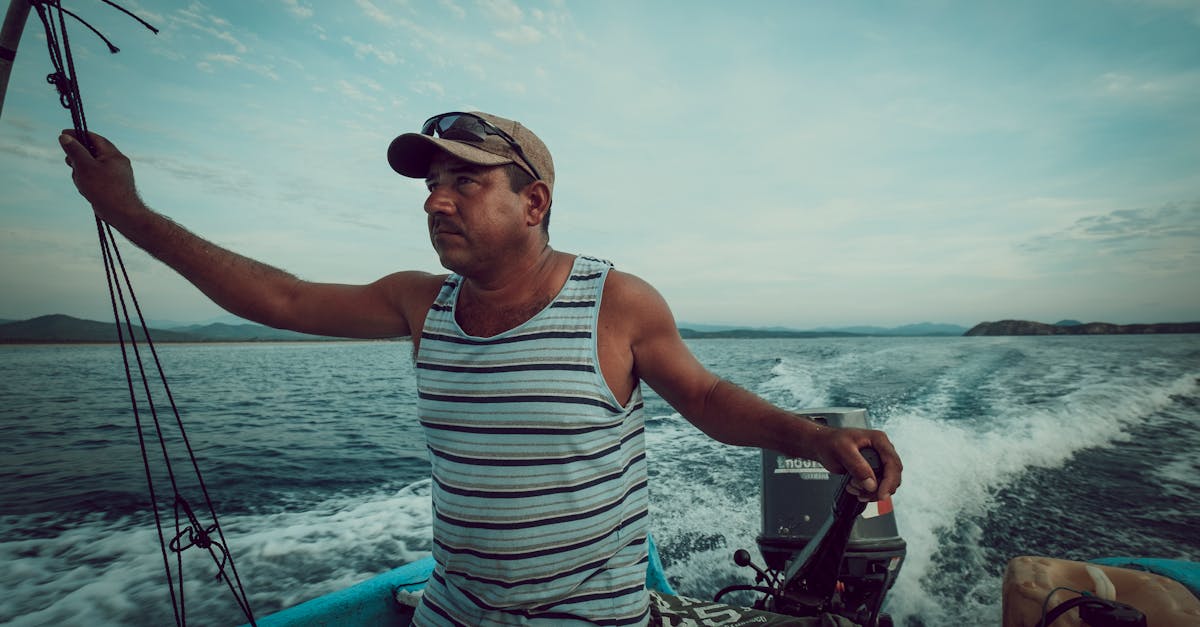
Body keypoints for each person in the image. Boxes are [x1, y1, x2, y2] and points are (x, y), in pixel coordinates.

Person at [59, 111, 902, 626]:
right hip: (455, 615)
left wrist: (813, 438)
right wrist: (129, 212)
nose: (435, 200)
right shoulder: (416, 302)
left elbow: (709, 398)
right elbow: (277, 298)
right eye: (430, 184)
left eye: (464, 180)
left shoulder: (616, 302)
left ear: (532, 202)